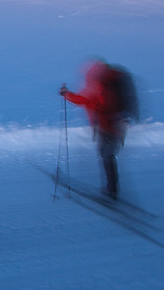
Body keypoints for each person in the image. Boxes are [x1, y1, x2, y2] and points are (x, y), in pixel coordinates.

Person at [59, 60, 138, 200]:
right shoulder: (109, 84)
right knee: (108, 157)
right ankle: (111, 189)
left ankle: (111, 190)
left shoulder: (99, 87)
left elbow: (83, 99)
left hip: (107, 127)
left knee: (107, 157)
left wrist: (66, 94)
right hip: (117, 126)